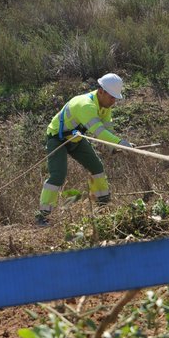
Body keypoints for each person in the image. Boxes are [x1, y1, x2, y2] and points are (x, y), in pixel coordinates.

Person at [36, 73, 133, 226]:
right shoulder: (85, 105)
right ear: (101, 91)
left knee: (97, 167)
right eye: (112, 97)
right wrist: (120, 143)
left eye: (116, 98)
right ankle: (42, 216)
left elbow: (108, 131)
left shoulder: (105, 106)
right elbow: (99, 132)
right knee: (58, 175)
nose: (114, 101)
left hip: (76, 139)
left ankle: (103, 206)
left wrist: (113, 147)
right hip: (57, 139)